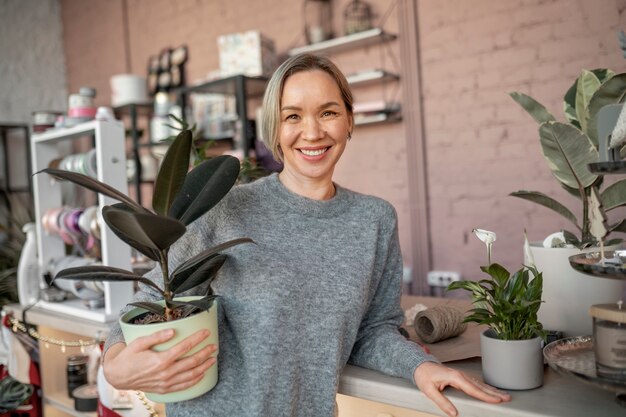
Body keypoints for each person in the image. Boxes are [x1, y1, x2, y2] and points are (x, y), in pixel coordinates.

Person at [102, 53, 510, 417]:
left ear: (349, 120)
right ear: (274, 129)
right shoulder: (225, 209)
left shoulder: (374, 220)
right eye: (292, 115)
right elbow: (148, 301)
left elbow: (372, 330)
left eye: (328, 112)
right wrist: (115, 363)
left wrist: (420, 366)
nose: (312, 132)